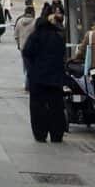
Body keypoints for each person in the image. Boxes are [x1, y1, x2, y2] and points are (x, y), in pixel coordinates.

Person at [22, 12, 66, 143]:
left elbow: (26, 52)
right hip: (55, 78)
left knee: (37, 107)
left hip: (38, 78)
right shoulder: (58, 37)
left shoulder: (35, 36)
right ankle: (57, 134)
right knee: (56, 106)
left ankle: (40, 134)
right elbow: (62, 53)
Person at [14, 6, 36, 90]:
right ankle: (28, 85)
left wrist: (18, 44)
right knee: (31, 66)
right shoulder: (35, 22)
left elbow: (16, 35)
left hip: (23, 47)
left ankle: (27, 82)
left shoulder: (19, 21)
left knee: (25, 66)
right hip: (33, 48)